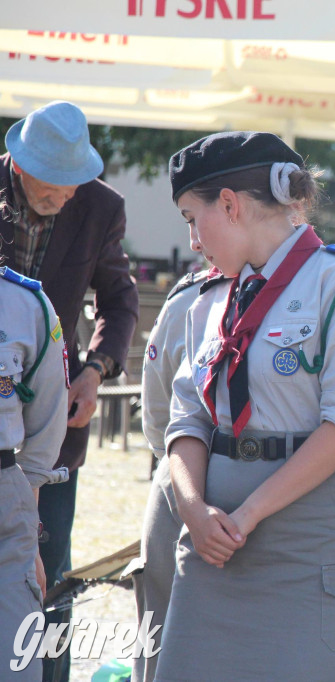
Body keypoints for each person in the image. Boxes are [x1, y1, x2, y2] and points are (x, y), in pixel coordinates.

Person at [156, 131, 335, 681]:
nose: (192, 240)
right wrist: (192, 508)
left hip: (312, 534)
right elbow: (187, 418)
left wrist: (249, 513)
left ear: (231, 205)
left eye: (193, 218)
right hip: (215, 537)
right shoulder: (208, 298)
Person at [0, 100, 138, 682]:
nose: (70, 195)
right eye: (58, 185)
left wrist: (96, 369)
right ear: (22, 166)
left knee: (48, 568)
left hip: (55, 420)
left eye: (79, 182)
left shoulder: (101, 205)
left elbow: (119, 297)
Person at [132, 267, 220, 682]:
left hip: (288, 493)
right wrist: (184, 478)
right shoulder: (189, 298)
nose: (196, 239)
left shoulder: (329, 287)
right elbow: (158, 417)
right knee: (162, 639)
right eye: (188, 220)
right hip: (184, 485)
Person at [0, 264, 69, 681]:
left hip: (6, 505)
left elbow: (46, 425)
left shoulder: (27, 305)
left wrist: (28, 525)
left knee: (15, 667)